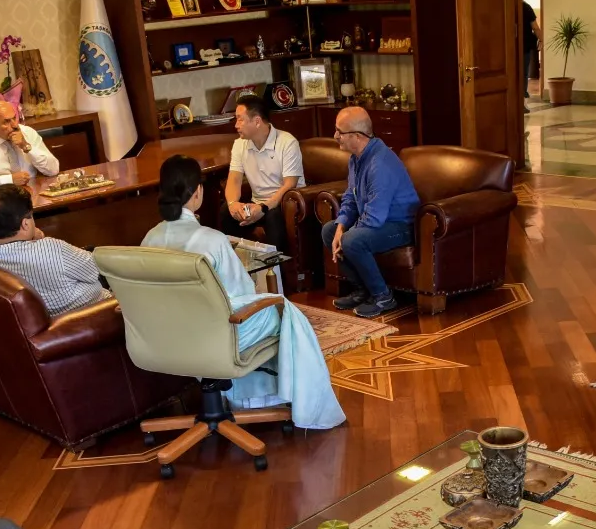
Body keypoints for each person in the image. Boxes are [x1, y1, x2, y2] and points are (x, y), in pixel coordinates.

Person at [141, 155, 346, 430]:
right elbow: (242, 292)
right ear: (198, 193)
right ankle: (276, 400)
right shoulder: (210, 241)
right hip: (213, 337)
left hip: (164, 339)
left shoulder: (148, 240)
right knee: (286, 313)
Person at [319, 107, 421, 319]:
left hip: (401, 226)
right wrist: (340, 227)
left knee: (352, 240)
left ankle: (383, 296)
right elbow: (350, 198)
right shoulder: (355, 159)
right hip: (379, 222)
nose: (335, 136)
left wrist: (346, 235)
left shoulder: (380, 164)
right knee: (329, 231)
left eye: (339, 131)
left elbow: (374, 217)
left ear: (357, 136)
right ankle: (362, 290)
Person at [0, 185, 107, 316]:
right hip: (95, 310)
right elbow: (96, 271)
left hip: (42, 317)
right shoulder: (52, 249)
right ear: (25, 224)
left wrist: (31, 238)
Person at [221, 94, 305, 257]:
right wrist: (233, 204)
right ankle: (238, 268)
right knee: (226, 211)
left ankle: (275, 275)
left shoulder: (287, 142)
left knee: (273, 216)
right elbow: (234, 179)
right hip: (257, 203)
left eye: (240, 119)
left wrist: (264, 207)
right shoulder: (240, 144)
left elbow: (290, 184)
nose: (236, 125)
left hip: (285, 204)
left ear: (257, 121)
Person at [0, 101, 60, 191]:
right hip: (0, 200)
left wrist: (26, 146)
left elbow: (53, 170)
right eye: (6, 122)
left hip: (33, 194)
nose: (15, 125)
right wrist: (9, 180)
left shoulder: (27, 132)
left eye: (14, 118)